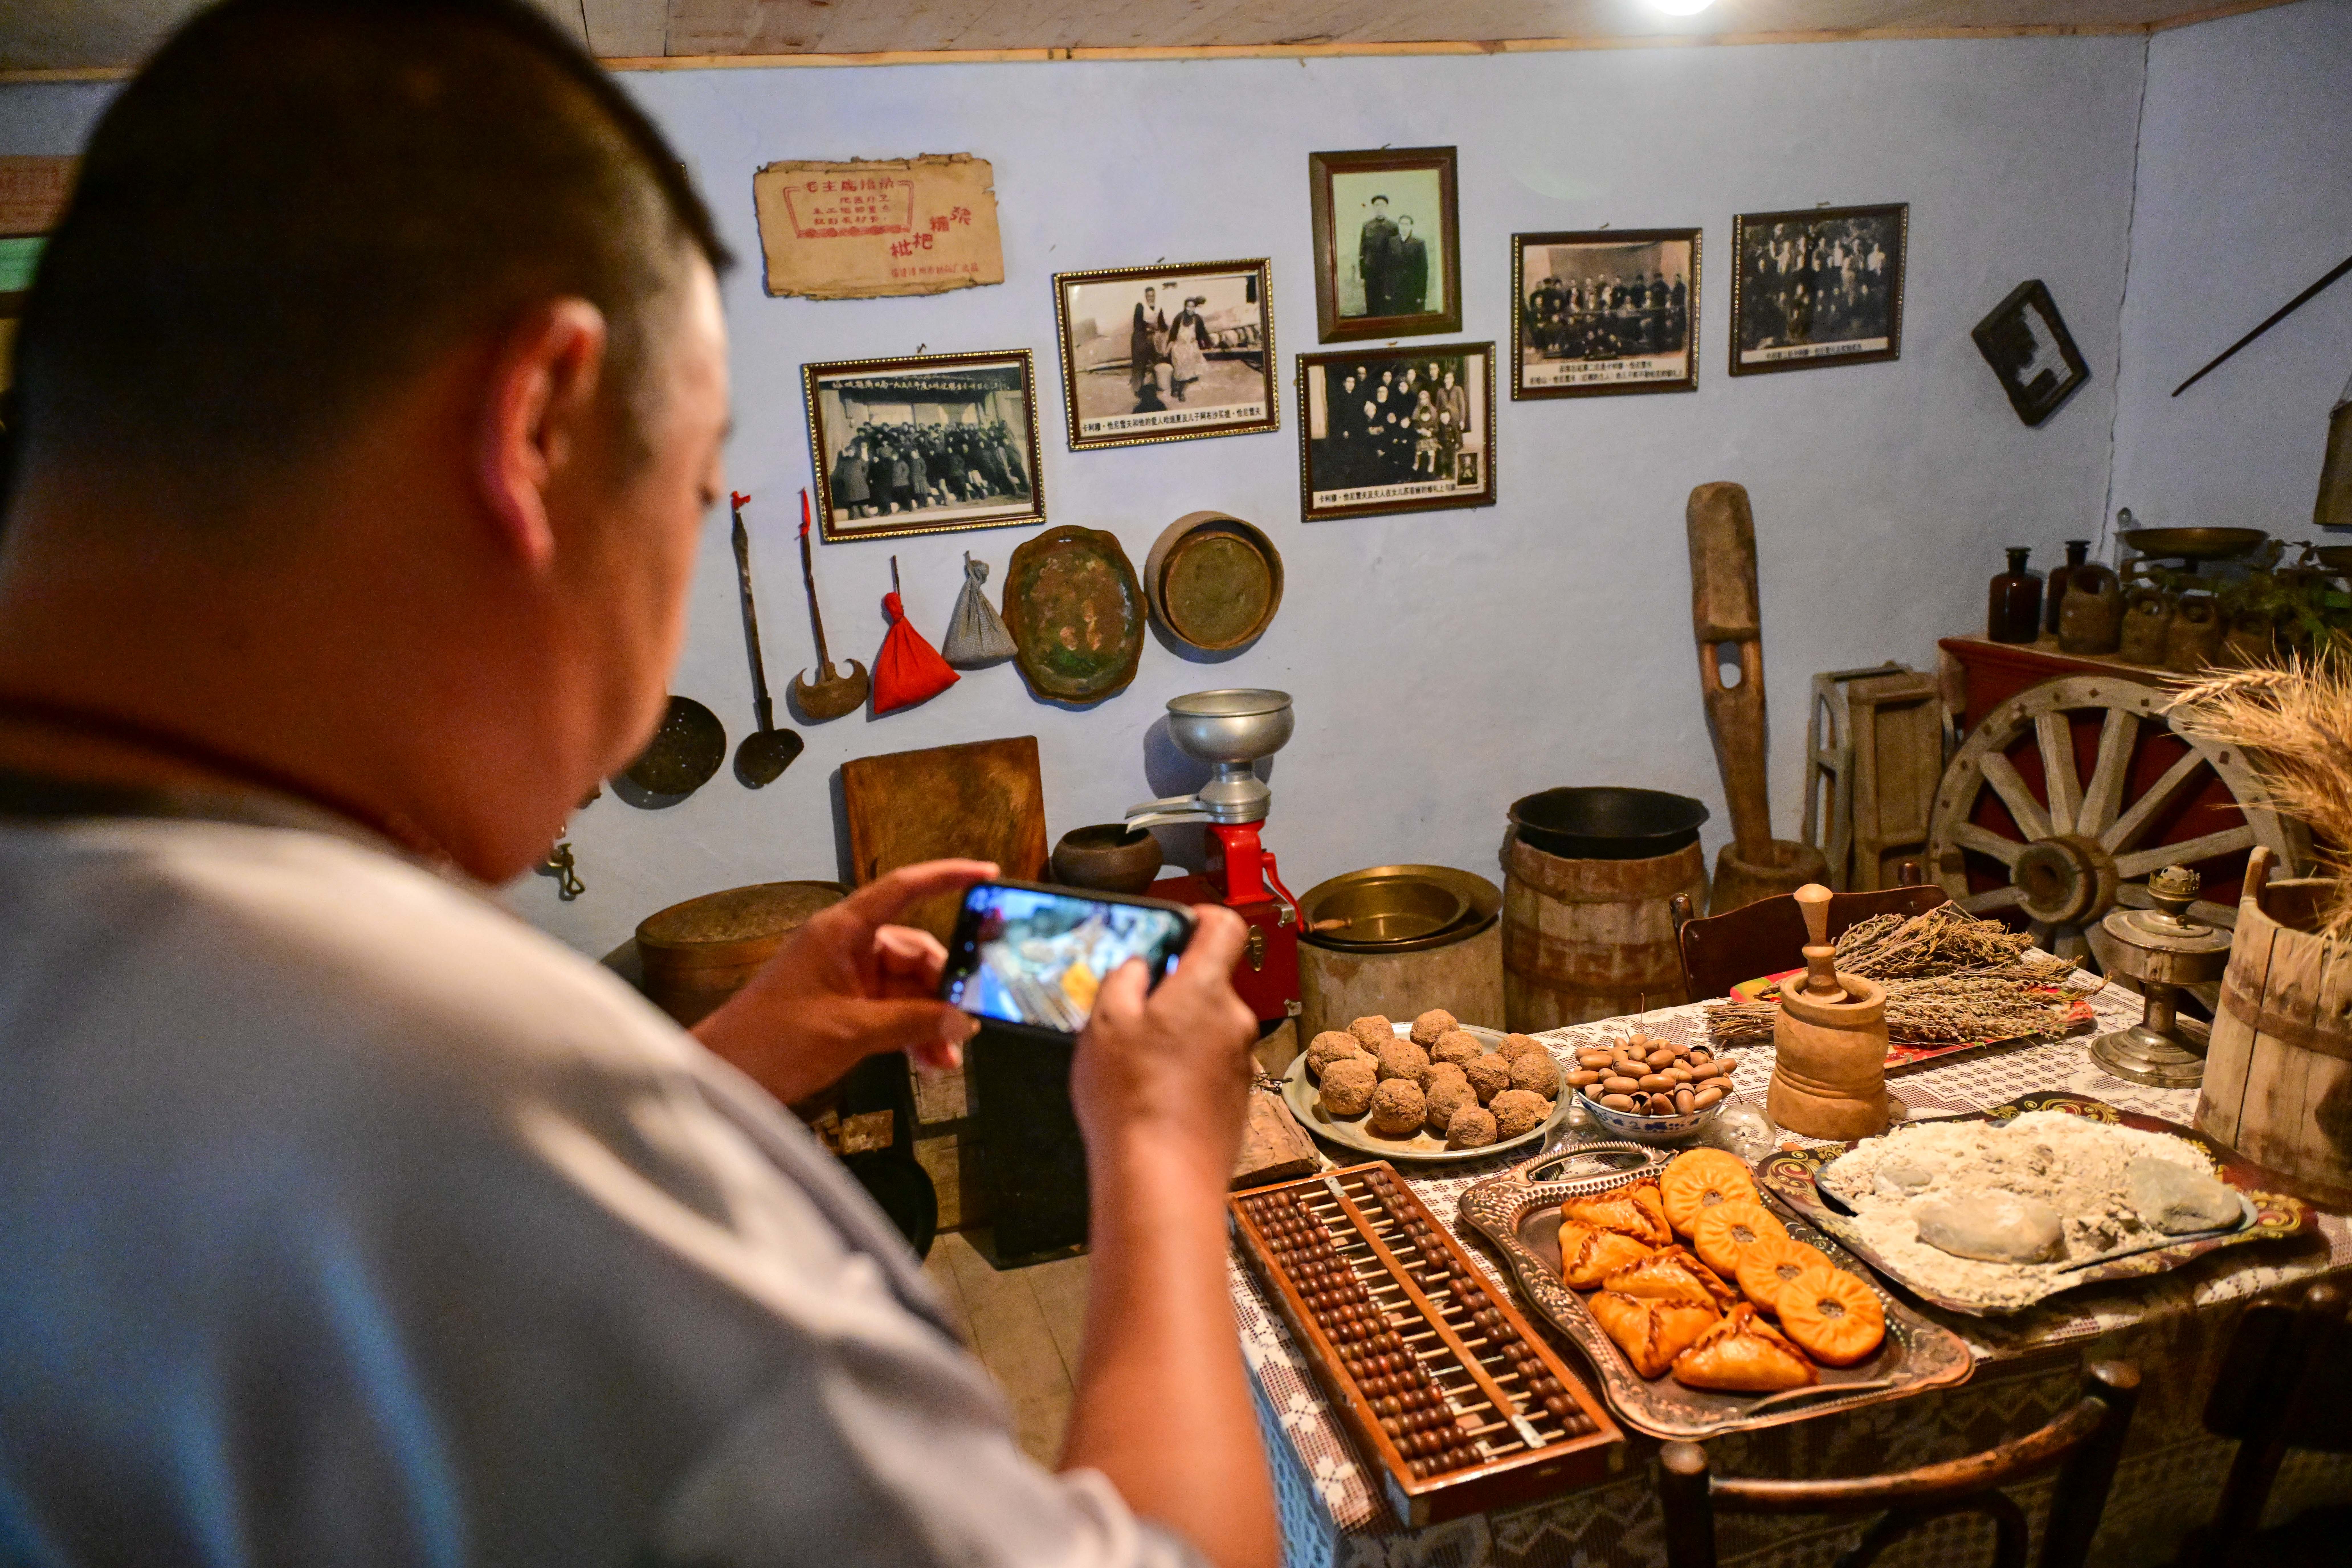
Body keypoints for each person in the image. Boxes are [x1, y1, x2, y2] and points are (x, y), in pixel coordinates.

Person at [0, 4, 1277, 1568]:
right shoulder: (484, 1105)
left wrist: (714, 1067)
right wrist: (1154, 1157)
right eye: (683, 496)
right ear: (535, 422)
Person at [1355, 194, 1396, 317]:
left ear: (1387, 207)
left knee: (1387, 303)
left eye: (1382, 205)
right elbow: (1363, 251)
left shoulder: (1394, 227)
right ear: (1374, 208)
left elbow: (1397, 251)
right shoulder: (1367, 226)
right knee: (1372, 303)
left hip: (1387, 271)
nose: (1380, 208)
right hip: (1371, 271)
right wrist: (1362, 275)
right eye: (1377, 205)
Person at [1128, 286, 1167, 410]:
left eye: (1153, 296)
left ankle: (1155, 387)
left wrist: (1167, 329)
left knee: (1157, 361)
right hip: (1140, 339)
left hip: (1152, 340)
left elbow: (1162, 323)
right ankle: (1137, 388)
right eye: (1149, 296)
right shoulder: (1141, 307)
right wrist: (1151, 326)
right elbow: (1137, 324)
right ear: (1146, 297)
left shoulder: (1158, 308)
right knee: (1139, 364)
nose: (1151, 298)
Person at [1167, 297, 1208, 403]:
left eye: (1193, 307)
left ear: (1195, 308)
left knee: (1186, 372)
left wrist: (1206, 343)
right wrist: (1169, 347)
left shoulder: (1197, 319)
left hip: (1191, 348)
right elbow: (1173, 333)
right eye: (1188, 307)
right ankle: (1176, 388)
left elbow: (1202, 333)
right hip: (1179, 347)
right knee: (1179, 370)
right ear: (1185, 307)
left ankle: (1181, 392)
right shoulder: (1179, 317)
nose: (1190, 309)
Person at [1389, 213, 1428, 316]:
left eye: (1407, 225)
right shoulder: (1392, 242)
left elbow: (1423, 271)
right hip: (1396, 289)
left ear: (1411, 227)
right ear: (1399, 226)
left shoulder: (1419, 243)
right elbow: (1388, 268)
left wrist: (1421, 295)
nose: (1404, 227)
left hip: (1412, 289)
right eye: (1402, 224)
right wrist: (1388, 291)